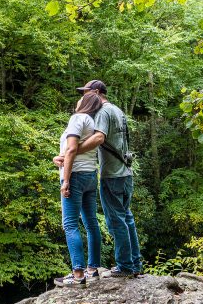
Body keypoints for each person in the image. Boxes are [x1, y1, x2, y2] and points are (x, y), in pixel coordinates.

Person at [62, 80, 142, 277]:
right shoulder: (118, 110)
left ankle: (125, 266)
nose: (84, 97)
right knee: (127, 218)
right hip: (125, 171)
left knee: (116, 221)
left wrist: (71, 153)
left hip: (112, 174)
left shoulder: (103, 112)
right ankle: (135, 264)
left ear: (96, 93)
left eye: (87, 93)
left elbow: (99, 138)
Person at [53, 92, 105, 286]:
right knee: (91, 223)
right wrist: (58, 158)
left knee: (70, 224)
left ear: (86, 103)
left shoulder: (77, 118)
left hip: (74, 176)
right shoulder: (93, 123)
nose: (78, 99)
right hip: (91, 175)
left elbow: (73, 149)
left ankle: (77, 275)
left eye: (81, 97)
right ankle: (93, 269)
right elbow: (72, 151)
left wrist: (65, 180)